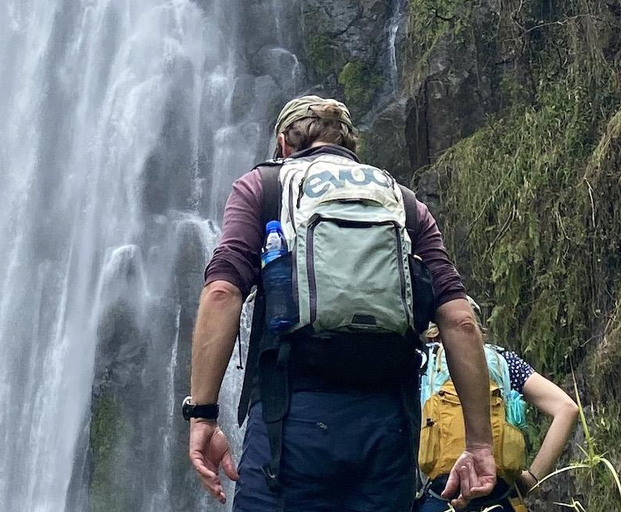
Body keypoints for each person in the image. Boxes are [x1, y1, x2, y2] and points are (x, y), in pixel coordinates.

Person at [184, 95, 496, 511]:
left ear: (283, 144)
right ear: (351, 147)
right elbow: (460, 322)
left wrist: (203, 414)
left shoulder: (265, 186)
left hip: (289, 427)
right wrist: (478, 443)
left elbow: (222, 292)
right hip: (387, 431)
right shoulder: (404, 203)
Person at [416, 297, 579, 512]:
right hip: (499, 497)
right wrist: (531, 478)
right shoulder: (504, 361)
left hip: (439, 497)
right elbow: (567, 408)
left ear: (433, 331)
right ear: (478, 329)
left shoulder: (423, 359)